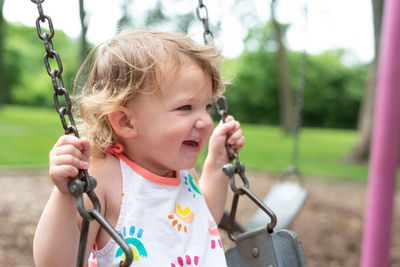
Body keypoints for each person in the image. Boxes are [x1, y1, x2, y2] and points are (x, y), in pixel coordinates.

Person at [33, 29, 245, 267]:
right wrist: (65, 196)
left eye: (206, 107)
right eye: (185, 107)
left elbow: (205, 222)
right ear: (126, 122)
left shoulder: (182, 172)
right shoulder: (103, 176)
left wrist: (216, 163)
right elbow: (57, 263)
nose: (206, 121)